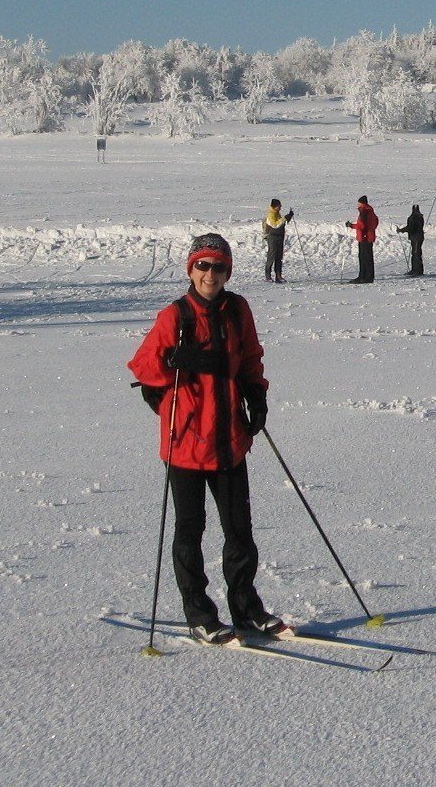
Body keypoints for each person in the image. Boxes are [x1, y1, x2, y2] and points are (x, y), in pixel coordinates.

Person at [128, 233, 282, 644]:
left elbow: (250, 357)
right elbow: (144, 366)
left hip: (230, 439)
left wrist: (256, 394)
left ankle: (247, 609)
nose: (210, 274)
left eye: (218, 266)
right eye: (203, 265)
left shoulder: (238, 310)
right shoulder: (175, 316)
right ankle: (199, 613)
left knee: (239, 531)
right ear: (191, 269)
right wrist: (180, 366)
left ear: (228, 271)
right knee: (189, 532)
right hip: (186, 443)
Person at [345, 195, 377, 282]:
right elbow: (375, 222)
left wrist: (351, 225)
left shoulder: (364, 211)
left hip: (364, 237)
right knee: (367, 257)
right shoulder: (370, 211)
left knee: (364, 257)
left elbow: (362, 226)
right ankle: (366, 276)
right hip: (368, 237)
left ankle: (365, 277)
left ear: (361, 203)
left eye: (358, 203)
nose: (357, 205)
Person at [262, 199, 293, 282]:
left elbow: (281, 223)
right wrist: (284, 218)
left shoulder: (277, 213)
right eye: (279, 205)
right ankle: (268, 276)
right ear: (275, 206)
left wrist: (288, 217)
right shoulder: (271, 214)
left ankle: (278, 276)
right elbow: (275, 225)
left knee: (279, 257)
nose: (280, 207)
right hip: (272, 237)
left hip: (279, 236)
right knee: (271, 256)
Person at [397, 205, 425, 276]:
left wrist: (401, 230)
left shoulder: (413, 218)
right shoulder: (420, 217)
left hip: (416, 237)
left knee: (416, 254)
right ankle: (415, 270)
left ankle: (417, 271)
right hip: (418, 237)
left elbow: (410, 227)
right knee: (416, 253)